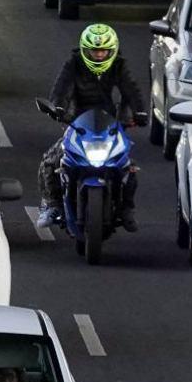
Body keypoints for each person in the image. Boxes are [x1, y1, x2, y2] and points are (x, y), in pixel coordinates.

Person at [40, 23, 147, 230]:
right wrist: (58, 108)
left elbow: (131, 89)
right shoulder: (74, 63)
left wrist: (139, 112)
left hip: (109, 123)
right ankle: (53, 206)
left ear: (112, 51)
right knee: (51, 161)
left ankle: (127, 208)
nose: (98, 55)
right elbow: (61, 88)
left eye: (103, 51)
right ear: (84, 50)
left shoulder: (119, 65)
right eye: (94, 51)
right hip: (77, 122)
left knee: (128, 166)